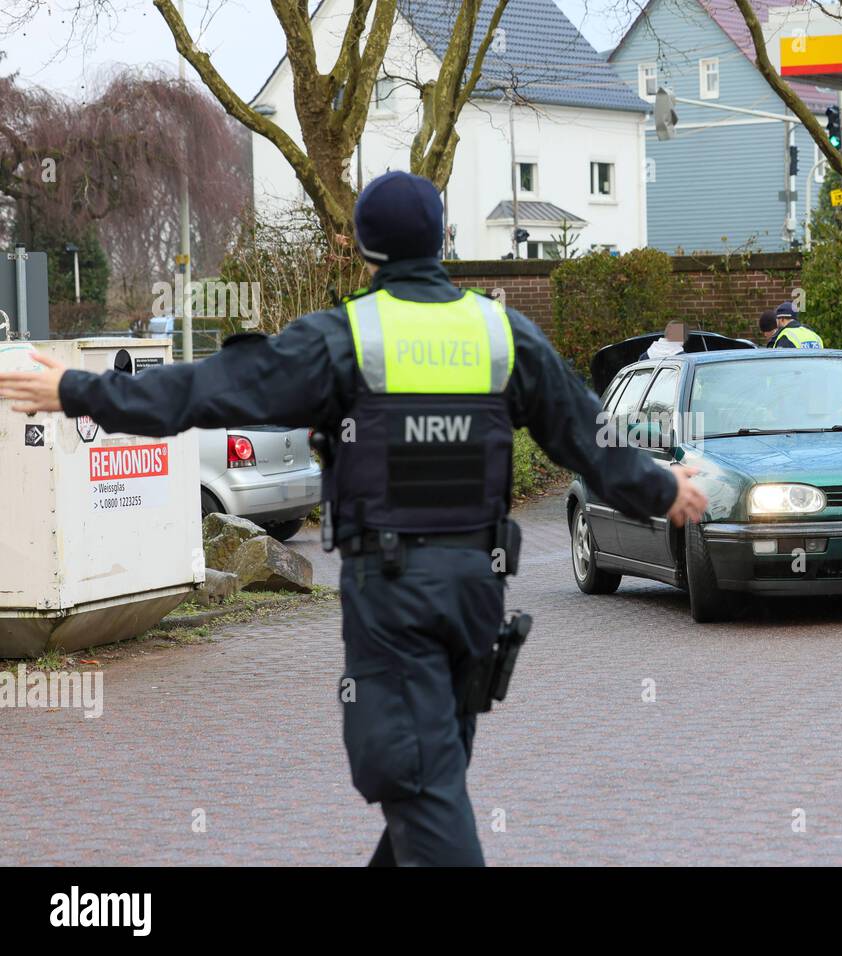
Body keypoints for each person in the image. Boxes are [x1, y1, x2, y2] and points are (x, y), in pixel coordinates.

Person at [0, 170, 708, 866]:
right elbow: (592, 437)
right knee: (429, 774)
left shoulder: (345, 339)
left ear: (366, 251)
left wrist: (76, 389)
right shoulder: (502, 335)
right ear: (443, 241)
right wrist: (661, 488)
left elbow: (207, 391)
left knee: (418, 783)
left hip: (394, 594)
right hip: (476, 591)